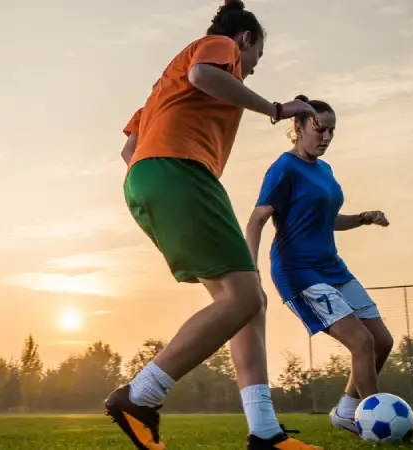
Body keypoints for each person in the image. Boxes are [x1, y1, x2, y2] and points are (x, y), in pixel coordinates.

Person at [104, 1, 321, 449]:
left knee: (244, 301)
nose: (249, 72)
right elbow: (206, 75)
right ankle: (140, 397)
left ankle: (264, 431)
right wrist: (277, 109)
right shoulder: (217, 46)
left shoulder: (161, 87)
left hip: (149, 181)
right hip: (181, 173)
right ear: (244, 40)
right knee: (243, 297)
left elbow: (130, 149)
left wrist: (160, 182)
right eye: (254, 60)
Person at [245, 95, 393, 437]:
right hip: (299, 273)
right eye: (319, 129)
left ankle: (345, 412)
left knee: (381, 341)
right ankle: (372, 423)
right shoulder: (283, 169)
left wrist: (363, 218)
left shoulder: (324, 169)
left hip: (333, 268)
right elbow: (257, 219)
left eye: (331, 131)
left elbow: (325, 219)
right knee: (361, 343)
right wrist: (249, 273)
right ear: (297, 128)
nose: (325, 137)